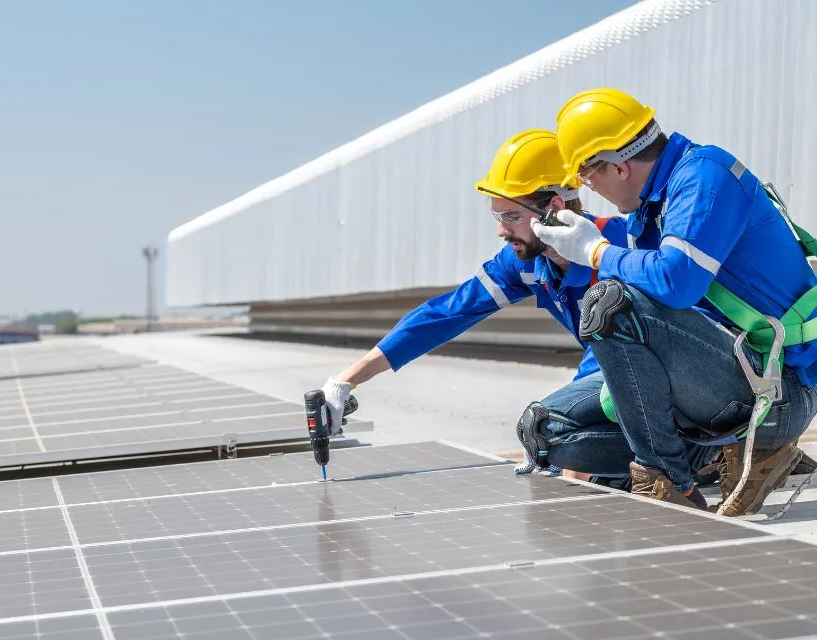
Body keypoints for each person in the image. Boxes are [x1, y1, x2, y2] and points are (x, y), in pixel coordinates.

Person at [316, 128, 711, 484]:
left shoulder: (621, 247)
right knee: (558, 439)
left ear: (553, 208)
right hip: (632, 387)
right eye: (497, 216)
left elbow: (610, 355)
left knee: (557, 436)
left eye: (510, 216)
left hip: (688, 382)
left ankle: (704, 452)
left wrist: (562, 440)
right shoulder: (526, 262)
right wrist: (346, 380)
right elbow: (446, 313)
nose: (501, 231)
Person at [530, 87, 817, 515]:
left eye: (588, 177)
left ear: (618, 167)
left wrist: (596, 251)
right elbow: (631, 332)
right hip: (717, 381)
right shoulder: (649, 210)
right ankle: (720, 454)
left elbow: (676, 283)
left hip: (776, 391)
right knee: (546, 430)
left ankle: (669, 482)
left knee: (610, 301)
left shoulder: (705, 176)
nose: (591, 191)